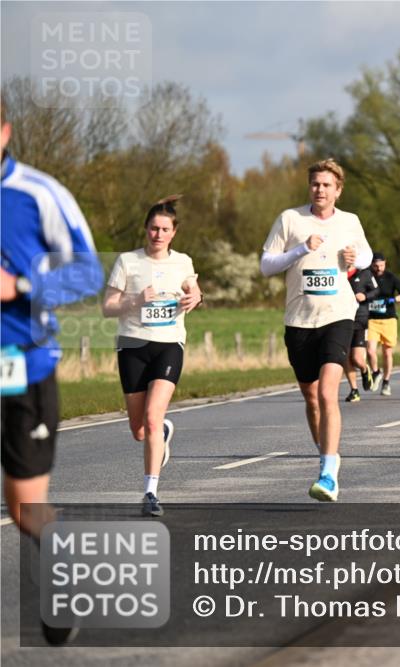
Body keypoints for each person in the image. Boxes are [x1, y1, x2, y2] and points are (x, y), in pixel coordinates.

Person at [1, 106, 104, 645]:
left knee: (23, 506)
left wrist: (19, 287)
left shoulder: (37, 193)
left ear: (4, 132)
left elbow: (88, 272)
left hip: (22, 367)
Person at [260, 158, 373, 502]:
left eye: (326, 185)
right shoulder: (290, 219)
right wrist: (300, 249)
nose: (320, 189)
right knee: (311, 399)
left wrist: (357, 257)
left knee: (327, 393)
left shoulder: (350, 221)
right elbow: (266, 266)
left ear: (338, 190)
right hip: (299, 322)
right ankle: (327, 456)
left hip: (338, 316)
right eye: (315, 184)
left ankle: (328, 473)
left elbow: (366, 255)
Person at [102, 196, 202, 517]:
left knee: (152, 417)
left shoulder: (183, 262)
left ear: (174, 233)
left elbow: (192, 288)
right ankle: (163, 433)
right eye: (153, 228)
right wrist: (134, 300)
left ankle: (150, 493)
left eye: (164, 229)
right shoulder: (127, 262)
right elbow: (108, 307)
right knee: (139, 429)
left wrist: (195, 297)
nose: (158, 234)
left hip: (168, 344)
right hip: (132, 346)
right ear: (145, 229)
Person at [366, 252, 400, 396]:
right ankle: (376, 372)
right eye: (376, 265)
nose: (379, 268)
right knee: (370, 351)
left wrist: (394, 300)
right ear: (371, 264)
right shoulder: (367, 276)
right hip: (371, 319)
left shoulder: (391, 277)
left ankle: (386, 382)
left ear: (385, 263)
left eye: (382, 265)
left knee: (387, 352)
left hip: (389, 319)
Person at [344, 264, 380, 402]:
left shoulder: (364, 273)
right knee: (345, 357)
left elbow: (376, 290)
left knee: (357, 359)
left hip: (360, 319)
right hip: (342, 319)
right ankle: (354, 390)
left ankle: (365, 370)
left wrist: (365, 295)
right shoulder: (336, 272)